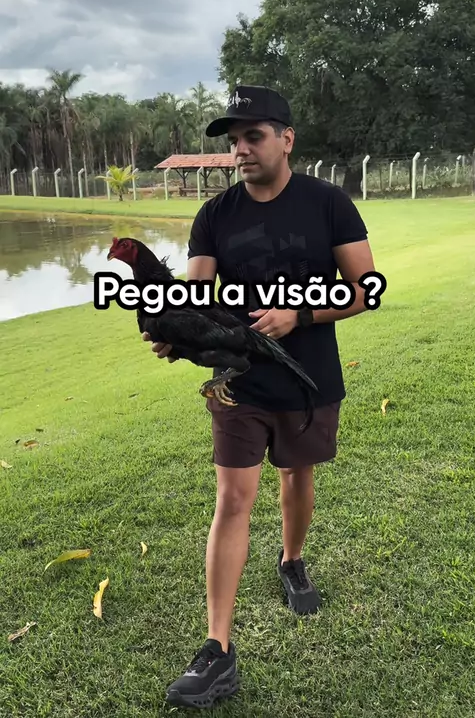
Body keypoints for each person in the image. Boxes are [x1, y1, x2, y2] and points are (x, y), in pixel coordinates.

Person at [143, 85, 376, 709]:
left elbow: (365, 289)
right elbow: (195, 298)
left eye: (253, 136)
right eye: (233, 140)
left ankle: (291, 560)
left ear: (286, 139)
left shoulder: (329, 204)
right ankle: (217, 649)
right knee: (233, 497)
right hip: (237, 380)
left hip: (306, 377)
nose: (241, 150)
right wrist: (175, 332)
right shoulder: (214, 215)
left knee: (297, 475)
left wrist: (300, 314)